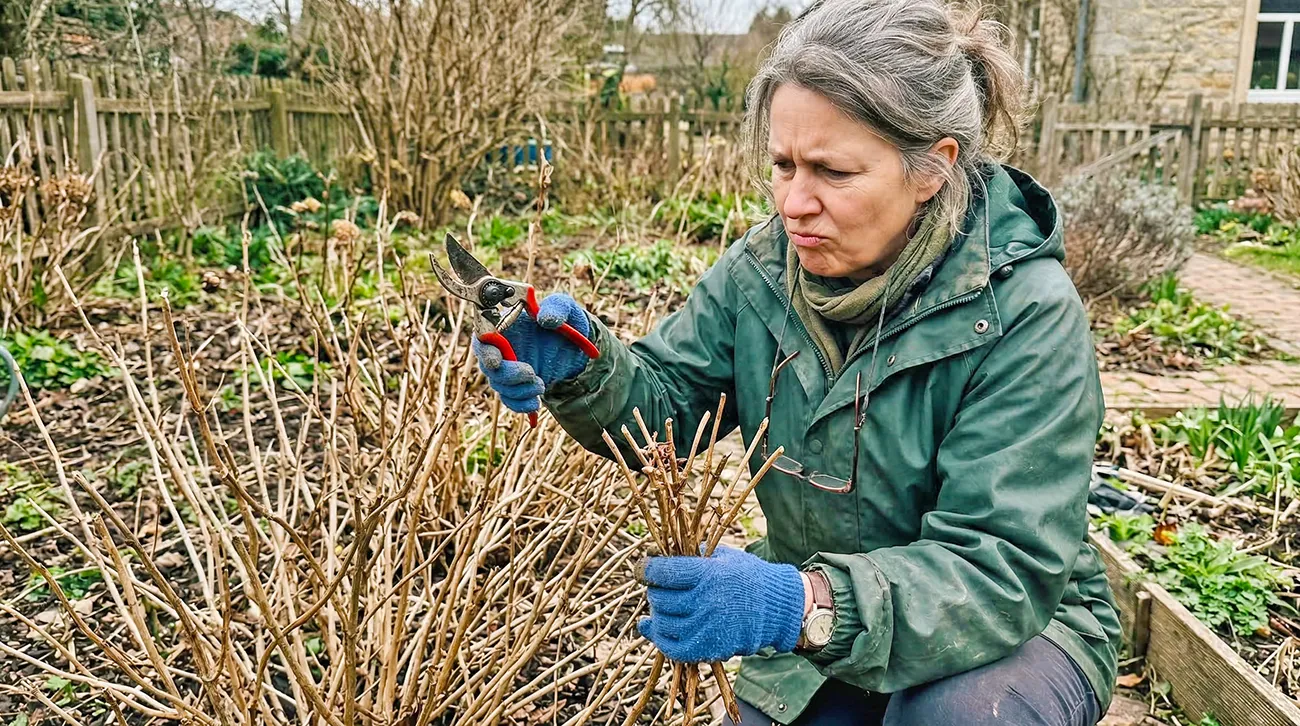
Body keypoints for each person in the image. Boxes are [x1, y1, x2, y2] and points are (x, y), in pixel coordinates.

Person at [470, 1, 1121, 723]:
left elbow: (1001, 566)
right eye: (783, 165)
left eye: (832, 171)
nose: (793, 203)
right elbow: (667, 409)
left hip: (1014, 630)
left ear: (932, 169)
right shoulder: (762, 275)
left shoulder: (1024, 311)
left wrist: (801, 605)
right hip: (827, 618)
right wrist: (580, 368)